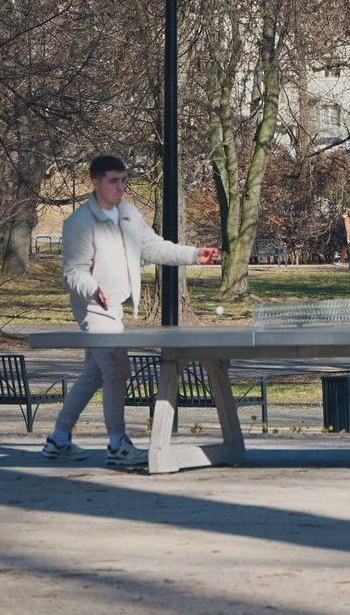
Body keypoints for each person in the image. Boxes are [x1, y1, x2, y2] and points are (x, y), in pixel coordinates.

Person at [41, 155, 219, 467]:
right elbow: (73, 273)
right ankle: (117, 444)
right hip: (94, 308)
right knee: (116, 371)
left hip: (115, 307)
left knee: (92, 375)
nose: (120, 187)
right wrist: (93, 289)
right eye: (113, 181)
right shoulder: (80, 223)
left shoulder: (128, 214)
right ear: (95, 182)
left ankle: (58, 439)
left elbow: (154, 248)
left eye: (124, 180)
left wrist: (194, 254)